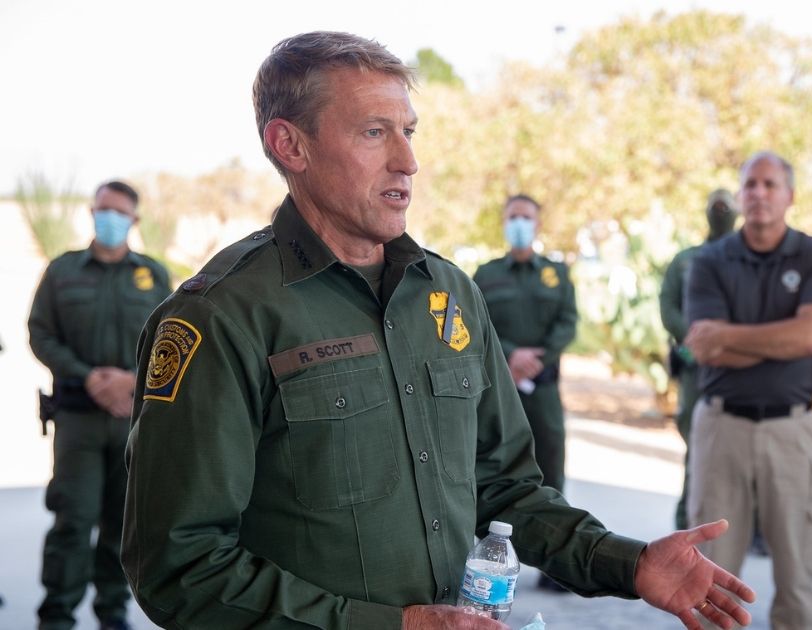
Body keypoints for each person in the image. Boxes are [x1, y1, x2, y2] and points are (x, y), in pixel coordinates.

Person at [120, 31, 754, 630]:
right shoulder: (221, 316)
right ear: (291, 145)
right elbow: (180, 567)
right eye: (374, 133)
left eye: (409, 131)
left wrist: (630, 563)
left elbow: (505, 486)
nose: (408, 161)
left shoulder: (449, 296)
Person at [684, 150, 812, 629]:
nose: (759, 193)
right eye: (750, 184)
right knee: (709, 581)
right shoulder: (709, 260)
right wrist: (786, 339)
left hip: (790, 430)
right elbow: (703, 349)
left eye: (770, 184)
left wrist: (730, 336)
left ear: (789, 195)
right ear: (739, 195)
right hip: (721, 427)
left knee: (797, 579)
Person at [28, 180, 171, 630]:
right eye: (102, 210)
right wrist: (89, 377)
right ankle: (57, 617)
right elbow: (40, 333)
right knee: (73, 519)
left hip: (133, 419)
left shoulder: (153, 274)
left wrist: (131, 381)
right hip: (78, 419)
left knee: (121, 524)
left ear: (134, 220)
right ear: (92, 213)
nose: (108, 218)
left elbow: (169, 340)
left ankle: (113, 615)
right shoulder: (62, 271)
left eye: (119, 212)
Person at [473, 194, 577, 591]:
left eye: (526, 217)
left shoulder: (555, 274)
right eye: (513, 216)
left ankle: (557, 564)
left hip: (544, 389)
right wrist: (511, 354)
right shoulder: (486, 273)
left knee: (551, 469)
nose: (519, 222)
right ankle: (486, 560)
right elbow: (474, 322)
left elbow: (568, 322)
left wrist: (538, 357)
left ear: (537, 224)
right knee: (492, 466)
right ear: (503, 222)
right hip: (499, 389)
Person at [659, 189, 738, 532]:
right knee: (697, 445)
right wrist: (695, 339)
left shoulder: (750, 259)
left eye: (727, 207)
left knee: (745, 447)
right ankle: (687, 523)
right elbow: (668, 306)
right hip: (696, 369)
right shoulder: (685, 260)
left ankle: (750, 529)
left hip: (740, 368)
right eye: (715, 206)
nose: (720, 211)